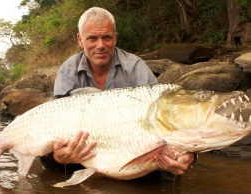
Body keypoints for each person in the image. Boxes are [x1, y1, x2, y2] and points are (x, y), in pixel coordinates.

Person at [41, 7, 196, 180]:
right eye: (92, 38)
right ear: (80, 40)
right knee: (51, 163)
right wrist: (58, 157)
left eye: (106, 37)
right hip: (84, 149)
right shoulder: (67, 72)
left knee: (167, 172)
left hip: (130, 146)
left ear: (115, 37)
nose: (101, 45)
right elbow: (56, 126)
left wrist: (189, 155)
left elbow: (166, 120)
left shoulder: (136, 67)